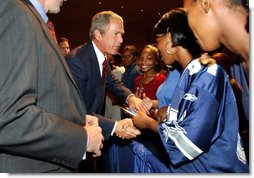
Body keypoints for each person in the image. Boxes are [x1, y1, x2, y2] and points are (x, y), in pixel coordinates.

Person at [132, 8, 249, 172]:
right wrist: (172, 111)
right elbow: (196, 115)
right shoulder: (191, 74)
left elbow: (187, 144)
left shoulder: (207, 75)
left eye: (158, 40)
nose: (157, 47)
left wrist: (148, 123)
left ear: (171, 43)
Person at [0, 0, 104, 173]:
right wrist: (83, 139)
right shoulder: (15, 11)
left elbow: (43, 95)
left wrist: (76, 121)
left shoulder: (32, 18)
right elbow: (10, 117)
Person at [66, 10, 148, 172]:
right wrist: (114, 126)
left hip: (93, 132)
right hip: (78, 137)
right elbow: (76, 111)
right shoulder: (77, 61)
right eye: (116, 34)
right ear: (98, 34)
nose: (121, 40)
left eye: (122, 34)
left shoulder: (102, 57)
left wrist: (131, 97)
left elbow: (112, 82)